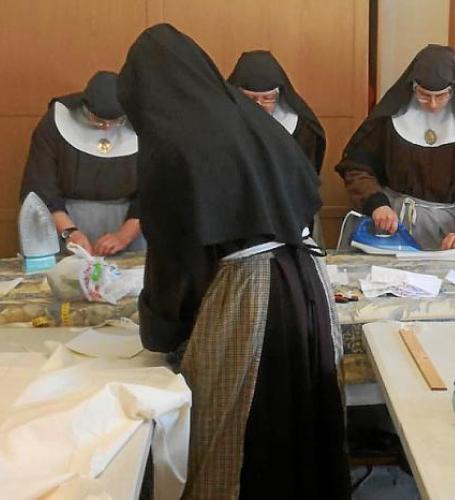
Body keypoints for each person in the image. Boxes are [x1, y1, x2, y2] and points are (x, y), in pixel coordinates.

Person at [118, 24, 349, 499]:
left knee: (237, 423)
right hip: (308, 285)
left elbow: (175, 256)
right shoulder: (250, 120)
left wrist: (161, 329)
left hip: (252, 294)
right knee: (302, 419)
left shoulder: (173, 142)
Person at [335, 44, 455, 251]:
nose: (433, 104)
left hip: (451, 232)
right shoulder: (390, 122)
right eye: (424, 95)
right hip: (393, 227)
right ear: (412, 87)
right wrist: (377, 204)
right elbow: (357, 168)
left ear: (454, 90)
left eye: (441, 96)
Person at [19, 71, 144, 255]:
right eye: (98, 121)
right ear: (85, 107)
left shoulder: (146, 125)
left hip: (130, 226)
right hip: (64, 222)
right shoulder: (54, 123)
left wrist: (124, 236)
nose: (106, 128)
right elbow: (40, 188)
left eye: (116, 121)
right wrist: (70, 233)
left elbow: (154, 191)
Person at [228, 50, 326, 175]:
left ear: (278, 97)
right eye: (250, 99)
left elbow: (306, 174)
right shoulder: (222, 125)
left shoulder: (302, 129)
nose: (258, 105)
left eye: (267, 98)